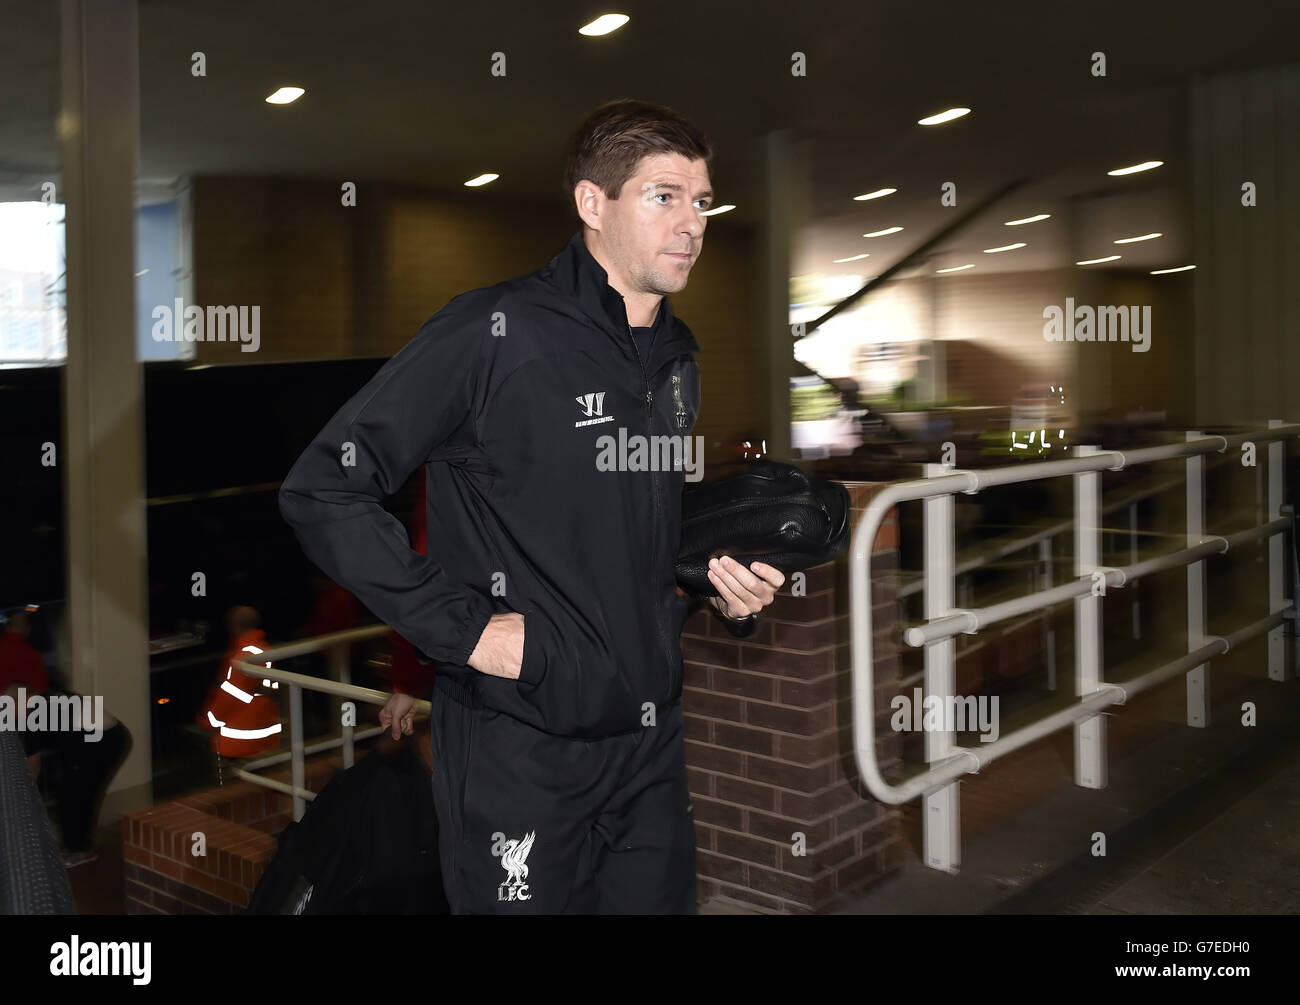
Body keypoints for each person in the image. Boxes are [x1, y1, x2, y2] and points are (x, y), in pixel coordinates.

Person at [278, 99, 783, 915]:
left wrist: (717, 586)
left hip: (648, 742)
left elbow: (638, 532)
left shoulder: (677, 357)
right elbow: (321, 489)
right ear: (594, 203)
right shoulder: (493, 334)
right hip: (522, 749)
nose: (692, 221)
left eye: (702, 199)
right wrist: (465, 629)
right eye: (664, 195)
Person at [196, 606, 282, 758]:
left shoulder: (247, 655)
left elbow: (233, 696)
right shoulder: (260, 649)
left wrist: (208, 721)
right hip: (261, 730)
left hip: (241, 737)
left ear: (235, 626)